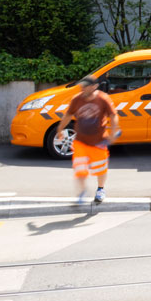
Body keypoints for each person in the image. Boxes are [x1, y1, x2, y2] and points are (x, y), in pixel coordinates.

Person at [55, 75, 120, 205]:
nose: (82, 89)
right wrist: (59, 130)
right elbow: (68, 115)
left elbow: (113, 115)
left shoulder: (102, 99)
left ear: (94, 87)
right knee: (80, 169)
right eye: (81, 86)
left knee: (100, 168)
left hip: (99, 141)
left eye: (85, 86)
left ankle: (100, 189)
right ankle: (83, 191)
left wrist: (113, 131)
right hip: (80, 141)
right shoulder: (76, 99)